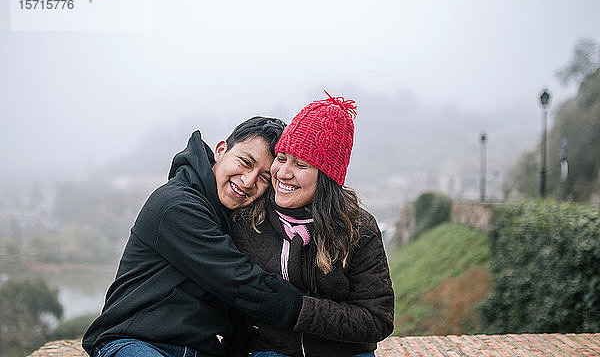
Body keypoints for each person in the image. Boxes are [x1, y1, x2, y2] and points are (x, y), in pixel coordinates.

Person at [82, 117, 306, 357]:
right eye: (244, 162)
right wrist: (318, 311)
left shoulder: (242, 220)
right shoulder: (177, 204)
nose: (248, 181)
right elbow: (241, 282)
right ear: (221, 151)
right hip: (135, 342)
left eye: (263, 177)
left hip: (203, 351)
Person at [230, 94, 395, 357]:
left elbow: (377, 319)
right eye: (281, 158)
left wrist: (298, 309)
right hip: (271, 352)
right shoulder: (249, 219)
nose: (283, 172)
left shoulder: (358, 227)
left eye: (301, 164)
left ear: (327, 177)